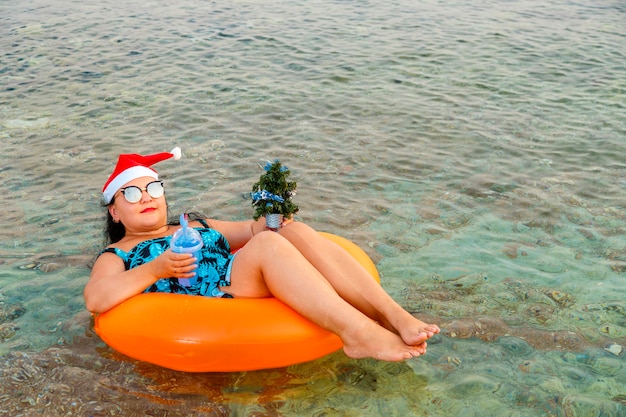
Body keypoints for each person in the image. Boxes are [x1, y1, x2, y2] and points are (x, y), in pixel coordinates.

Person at [84, 148, 440, 362]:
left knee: (290, 231)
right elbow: (96, 299)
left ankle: (392, 315)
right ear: (114, 212)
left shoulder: (196, 225)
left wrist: (274, 214)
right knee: (269, 245)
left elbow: (253, 230)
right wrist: (156, 268)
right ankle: (357, 333)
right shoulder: (120, 252)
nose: (145, 197)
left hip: (239, 274)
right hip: (215, 296)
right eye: (130, 194)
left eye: (153, 188)